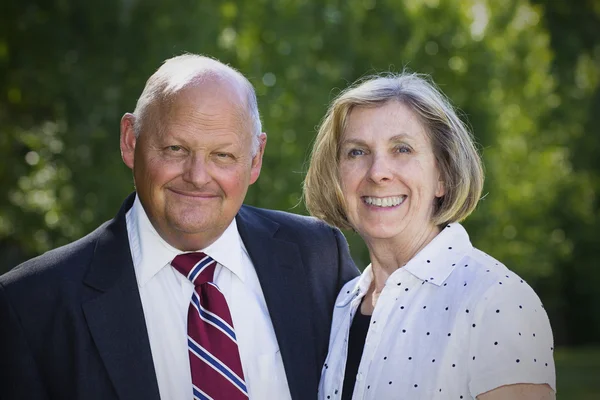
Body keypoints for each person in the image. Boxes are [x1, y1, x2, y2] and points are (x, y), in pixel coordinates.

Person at [0, 54, 359, 400]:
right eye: (175, 149)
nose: (197, 177)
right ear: (130, 140)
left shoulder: (317, 258)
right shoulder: (31, 305)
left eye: (223, 155)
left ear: (255, 159)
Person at [304, 73, 556, 400]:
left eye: (402, 149)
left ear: (443, 177)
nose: (378, 171)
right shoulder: (343, 305)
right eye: (357, 152)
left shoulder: (496, 300)